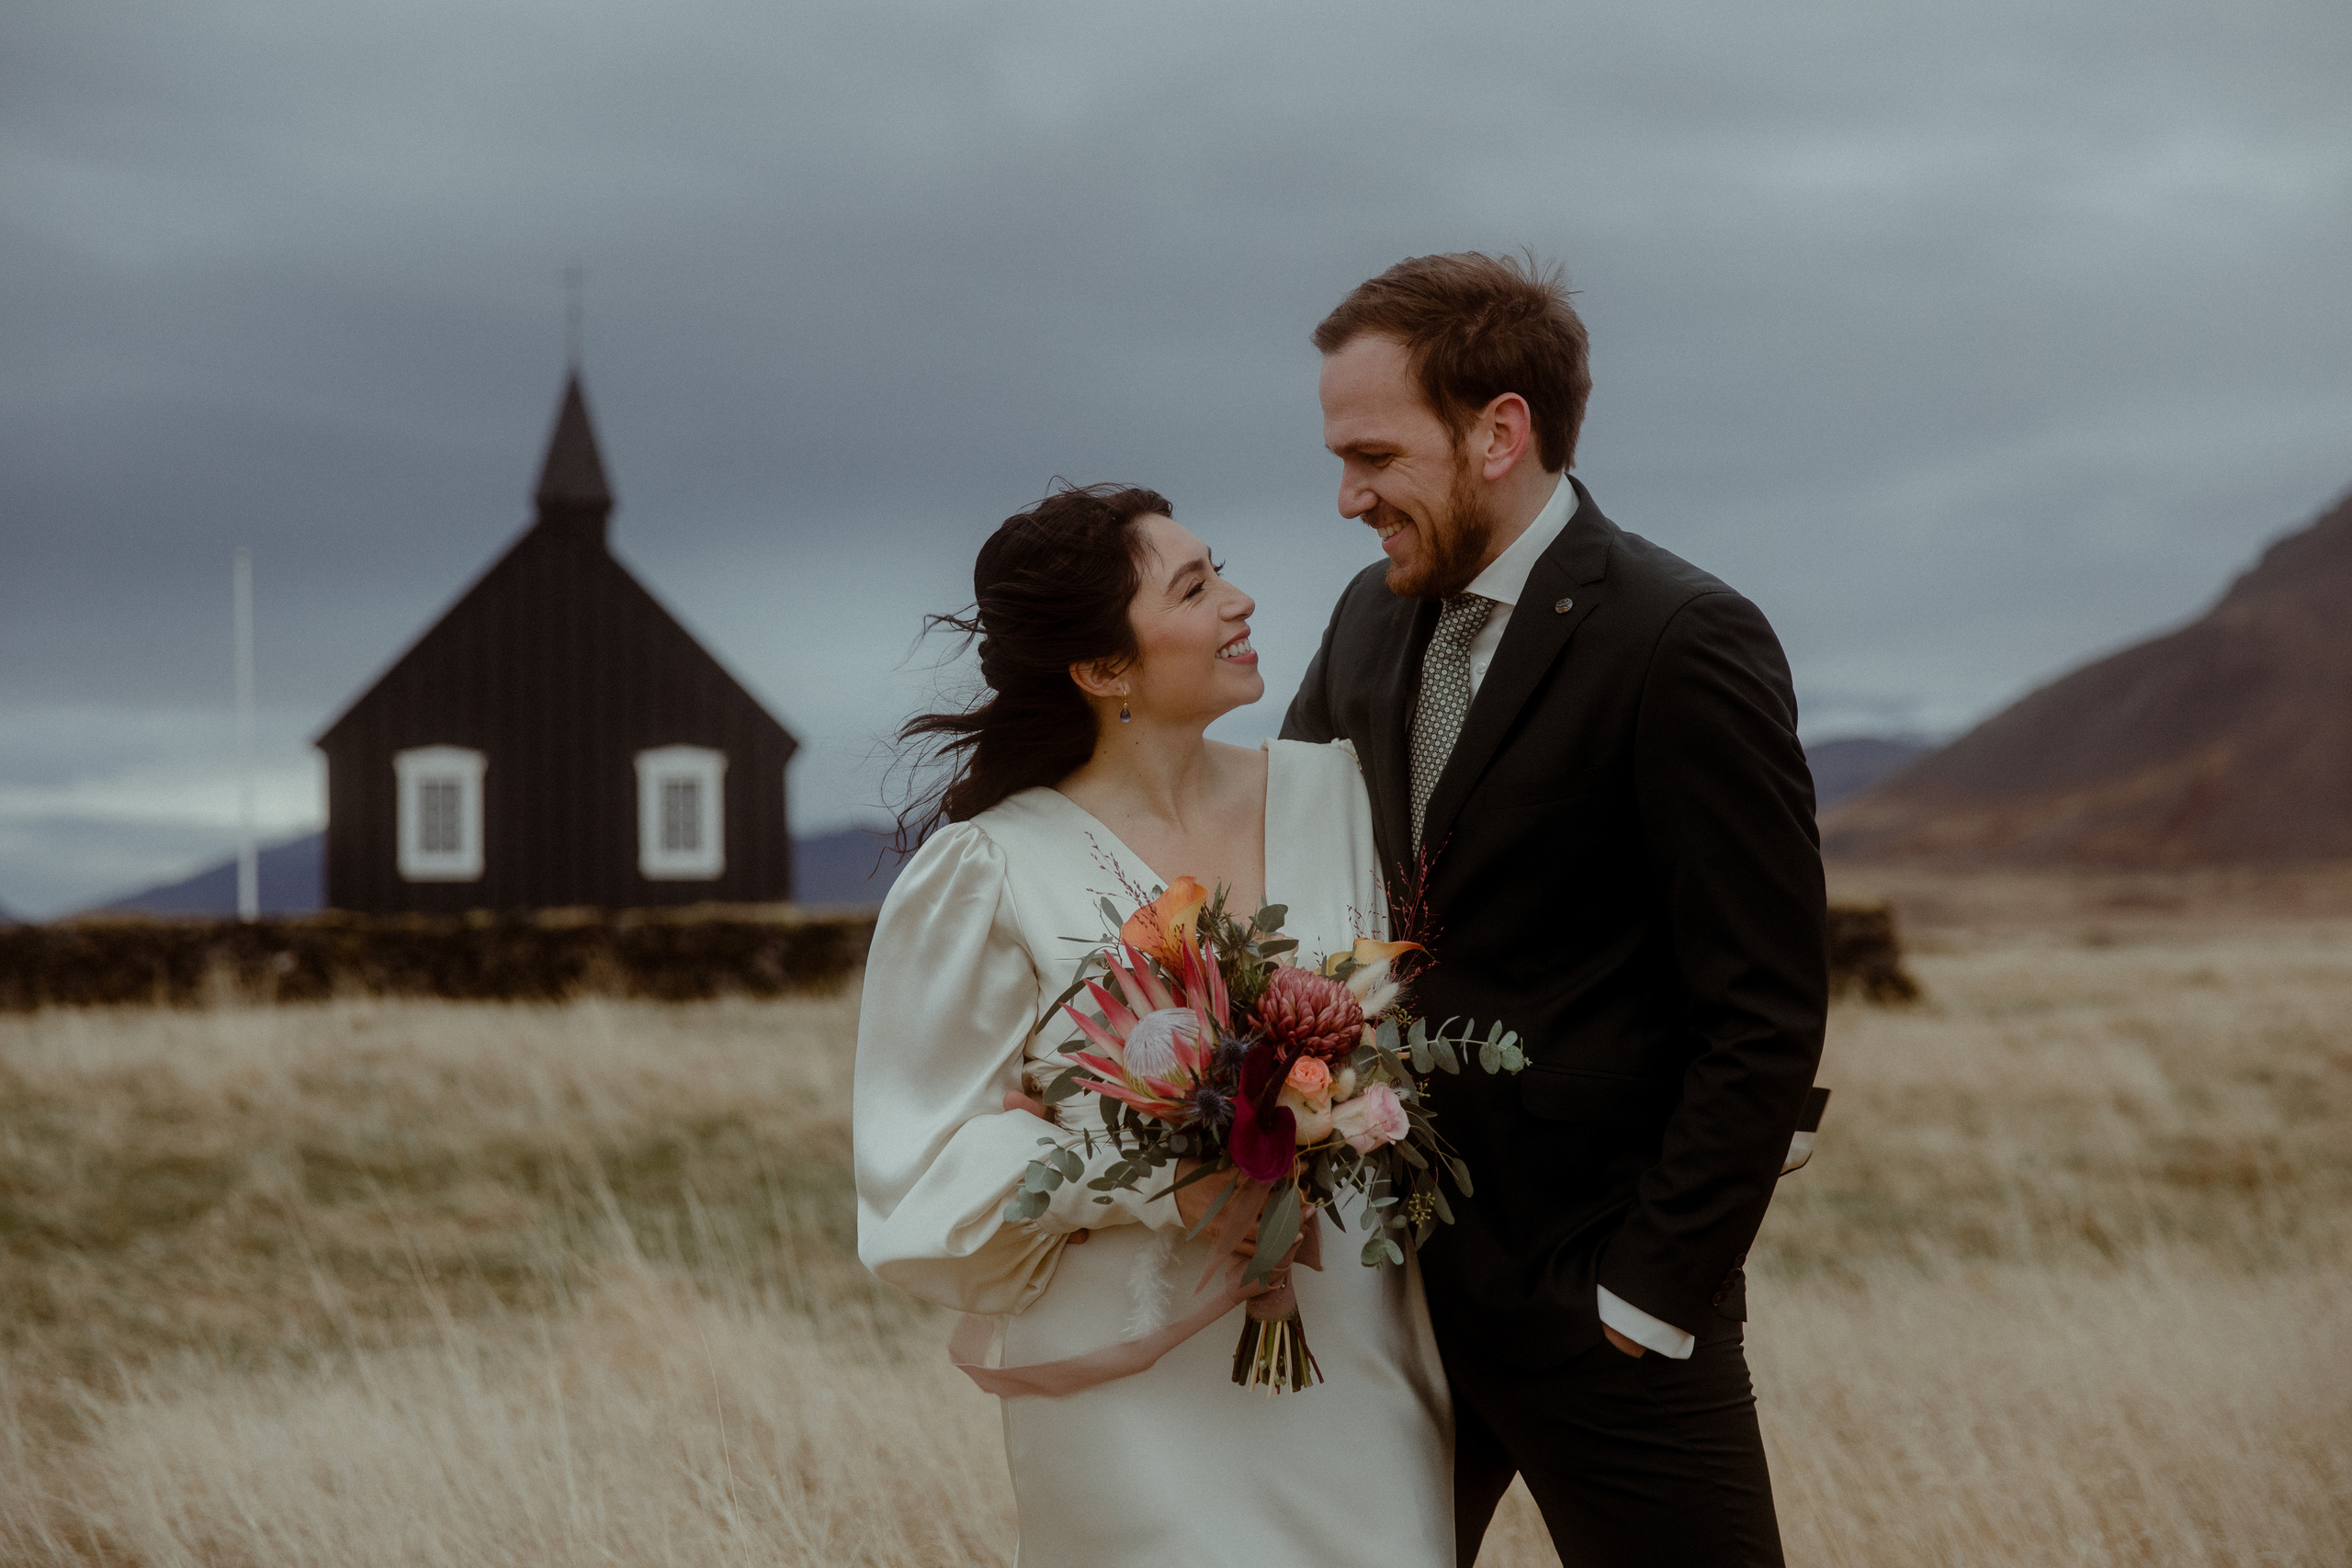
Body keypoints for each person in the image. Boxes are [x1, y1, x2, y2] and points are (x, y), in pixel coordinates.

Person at [1282, 252, 1827, 1567]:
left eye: (1372, 453)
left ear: (1498, 432)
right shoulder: (1366, 616)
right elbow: (1278, 868)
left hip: (1604, 1308)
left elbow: (1763, 1008)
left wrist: (1650, 1289)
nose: (1348, 496)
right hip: (1386, 1297)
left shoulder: (1682, 635)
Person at [854, 485, 1453, 1566]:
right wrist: (1153, 1173)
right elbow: (920, 1166)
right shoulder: (988, 871)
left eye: (1217, 567)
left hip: (1356, 1359)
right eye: (1194, 587)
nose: (1240, 600)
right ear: (1103, 670)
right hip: (1132, 1387)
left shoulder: (1342, 796)